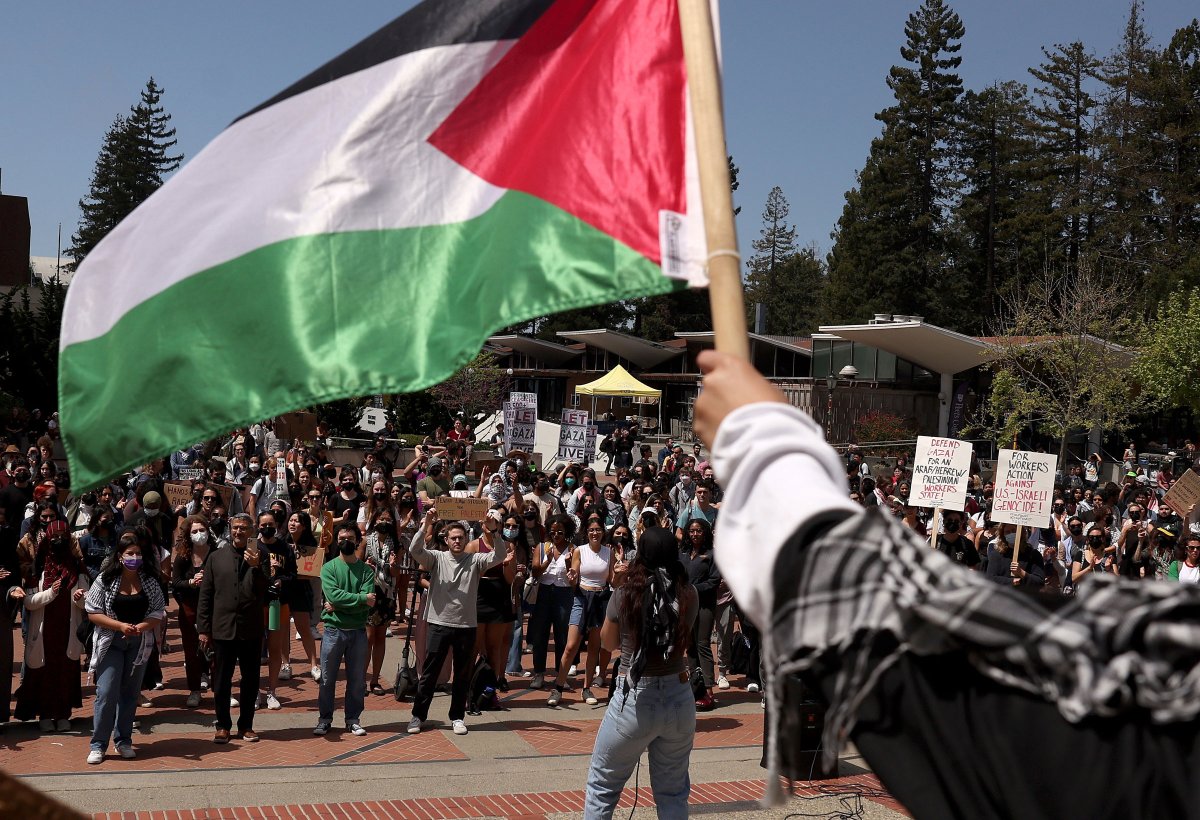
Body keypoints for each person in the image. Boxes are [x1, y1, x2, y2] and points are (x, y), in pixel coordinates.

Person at [583, 527, 697, 819]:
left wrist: (616, 588)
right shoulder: (688, 592)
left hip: (635, 695)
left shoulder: (625, 594)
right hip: (678, 694)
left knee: (603, 787)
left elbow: (608, 644)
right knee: (673, 793)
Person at [406, 511, 506, 736]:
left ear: (466, 539)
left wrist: (493, 531)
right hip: (439, 624)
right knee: (429, 674)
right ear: (446, 540)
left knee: (462, 674)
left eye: (461, 537)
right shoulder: (436, 558)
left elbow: (499, 556)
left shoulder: (475, 560)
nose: (457, 541)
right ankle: (418, 715)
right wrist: (425, 526)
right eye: (453, 538)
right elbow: (415, 550)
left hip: (466, 626)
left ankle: (457, 716)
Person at [85, 532, 166, 762]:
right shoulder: (106, 579)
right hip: (110, 642)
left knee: (130, 694)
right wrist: (120, 626)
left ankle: (123, 740)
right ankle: (98, 744)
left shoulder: (149, 580)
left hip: (138, 644)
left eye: (138, 553)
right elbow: (93, 611)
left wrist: (141, 626)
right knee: (107, 691)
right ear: (120, 556)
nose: (135, 557)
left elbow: (158, 612)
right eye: (130, 553)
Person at [197, 512, 268, 744]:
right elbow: (206, 596)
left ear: (251, 531)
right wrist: (204, 629)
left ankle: (246, 725)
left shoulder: (261, 554)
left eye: (244, 529)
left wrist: (256, 567)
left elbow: (265, 592)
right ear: (230, 528)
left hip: (251, 628)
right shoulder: (216, 557)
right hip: (223, 628)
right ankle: (222, 725)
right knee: (222, 680)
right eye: (235, 528)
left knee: (250, 679)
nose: (239, 532)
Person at [14, 520, 88, 732]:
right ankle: (45, 715)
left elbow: (87, 599)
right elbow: (29, 602)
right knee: (44, 674)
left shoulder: (76, 567)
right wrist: (51, 593)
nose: (58, 542)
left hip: (67, 630)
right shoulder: (36, 569)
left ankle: (63, 714)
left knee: (66, 672)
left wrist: (79, 597)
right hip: (43, 632)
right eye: (54, 538)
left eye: (62, 538)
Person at [314, 524, 374, 737]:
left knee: (357, 679)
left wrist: (339, 604)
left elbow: (370, 600)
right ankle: (325, 718)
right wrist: (359, 599)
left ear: (358, 540)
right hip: (333, 630)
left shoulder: (366, 571)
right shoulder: (328, 568)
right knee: (328, 678)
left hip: (358, 630)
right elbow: (334, 596)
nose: (345, 541)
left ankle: (353, 719)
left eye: (349, 537)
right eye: (341, 538)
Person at [548, 515, 613, 707]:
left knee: (594, 647)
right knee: (571, 646)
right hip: (581, 598)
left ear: (603, 532)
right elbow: (573, 577)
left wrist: (619, 572)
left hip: (601, 600)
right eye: (592, 530)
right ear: (586, 532)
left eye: (598, 530)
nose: (595, 533)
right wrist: (572, 575)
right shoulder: (579, 551)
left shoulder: (609, 552)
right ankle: (558, 687)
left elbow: (613, 581)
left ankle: (586, 688)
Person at [469, 505, 520, 692]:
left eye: (495, 522)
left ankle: (491, 687)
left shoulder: (508, 546)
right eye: (487, 521)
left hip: (499, 597)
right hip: (479, 597)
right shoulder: (473, 546)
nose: (490, 524)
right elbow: (468, 576)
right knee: (474, 645)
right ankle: (469, 685)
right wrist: (489, 563)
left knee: (494, 646)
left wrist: (506, 564)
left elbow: (509, 579)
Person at [527, 514, 576, 690]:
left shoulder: (573, 549)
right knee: (540, 633)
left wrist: (570, 563)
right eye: (553, 532)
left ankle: (561, 675)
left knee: (562, 634)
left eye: (560, 532)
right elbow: (535, 572)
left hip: (564, 594)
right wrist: (547, 560)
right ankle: (539, 673)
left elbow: (574, 578)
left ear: (567, 532)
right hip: (544, 593)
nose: (556, 535)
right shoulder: (542, 547)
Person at [172, 515, 214, 708]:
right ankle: (195, 690)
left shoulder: (216, 553)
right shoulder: (183, 557)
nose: (199, 534)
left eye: (202, 530)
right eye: (195, 531)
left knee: (216, 649)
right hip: (189, 608)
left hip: (213, 608)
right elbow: (176, 583)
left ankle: (220, 689)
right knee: (192, 650)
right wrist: (191, 582)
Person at [680, 517, 721, 709]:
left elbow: (714, 582)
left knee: (703, 643)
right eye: (692, 531)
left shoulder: (712, 554)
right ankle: (694, 685)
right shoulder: (683, 553)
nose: (695, 534)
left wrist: (692, 589)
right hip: (686, 605)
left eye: (699, 531)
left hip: (704, 605)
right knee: (690, 646)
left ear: (704, 533)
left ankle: (708, 688)